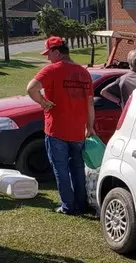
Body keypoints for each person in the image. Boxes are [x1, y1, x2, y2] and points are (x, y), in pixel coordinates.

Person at [27, 36, 95, 215]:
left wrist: (43, 102)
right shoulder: (84, 72)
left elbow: (30, 88)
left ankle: (68, 206)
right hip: (78, 131)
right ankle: (81, 203)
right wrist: (90, 126)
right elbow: (90, 103)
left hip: (56, 129)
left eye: (49, 54)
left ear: (56, 52)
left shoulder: (51, 70)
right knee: (78, 168)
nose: (47, 58)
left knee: (60, 169)